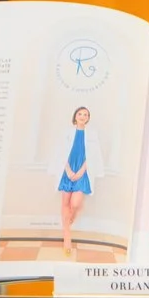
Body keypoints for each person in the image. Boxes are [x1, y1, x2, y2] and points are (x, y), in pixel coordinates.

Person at [56, 104, 92, 254]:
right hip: (67, 171)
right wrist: (69, 171)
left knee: (75, 204)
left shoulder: (91, 135)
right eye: (80, 114)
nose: (83, 116)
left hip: (81, 172)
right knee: (65, 203)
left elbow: (92, 156)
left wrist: (80, 172)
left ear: (88, 118)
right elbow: (60, 153)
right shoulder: (67, 132)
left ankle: (72, 216)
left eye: (85, 115)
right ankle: (67, 237)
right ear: (75, 117)